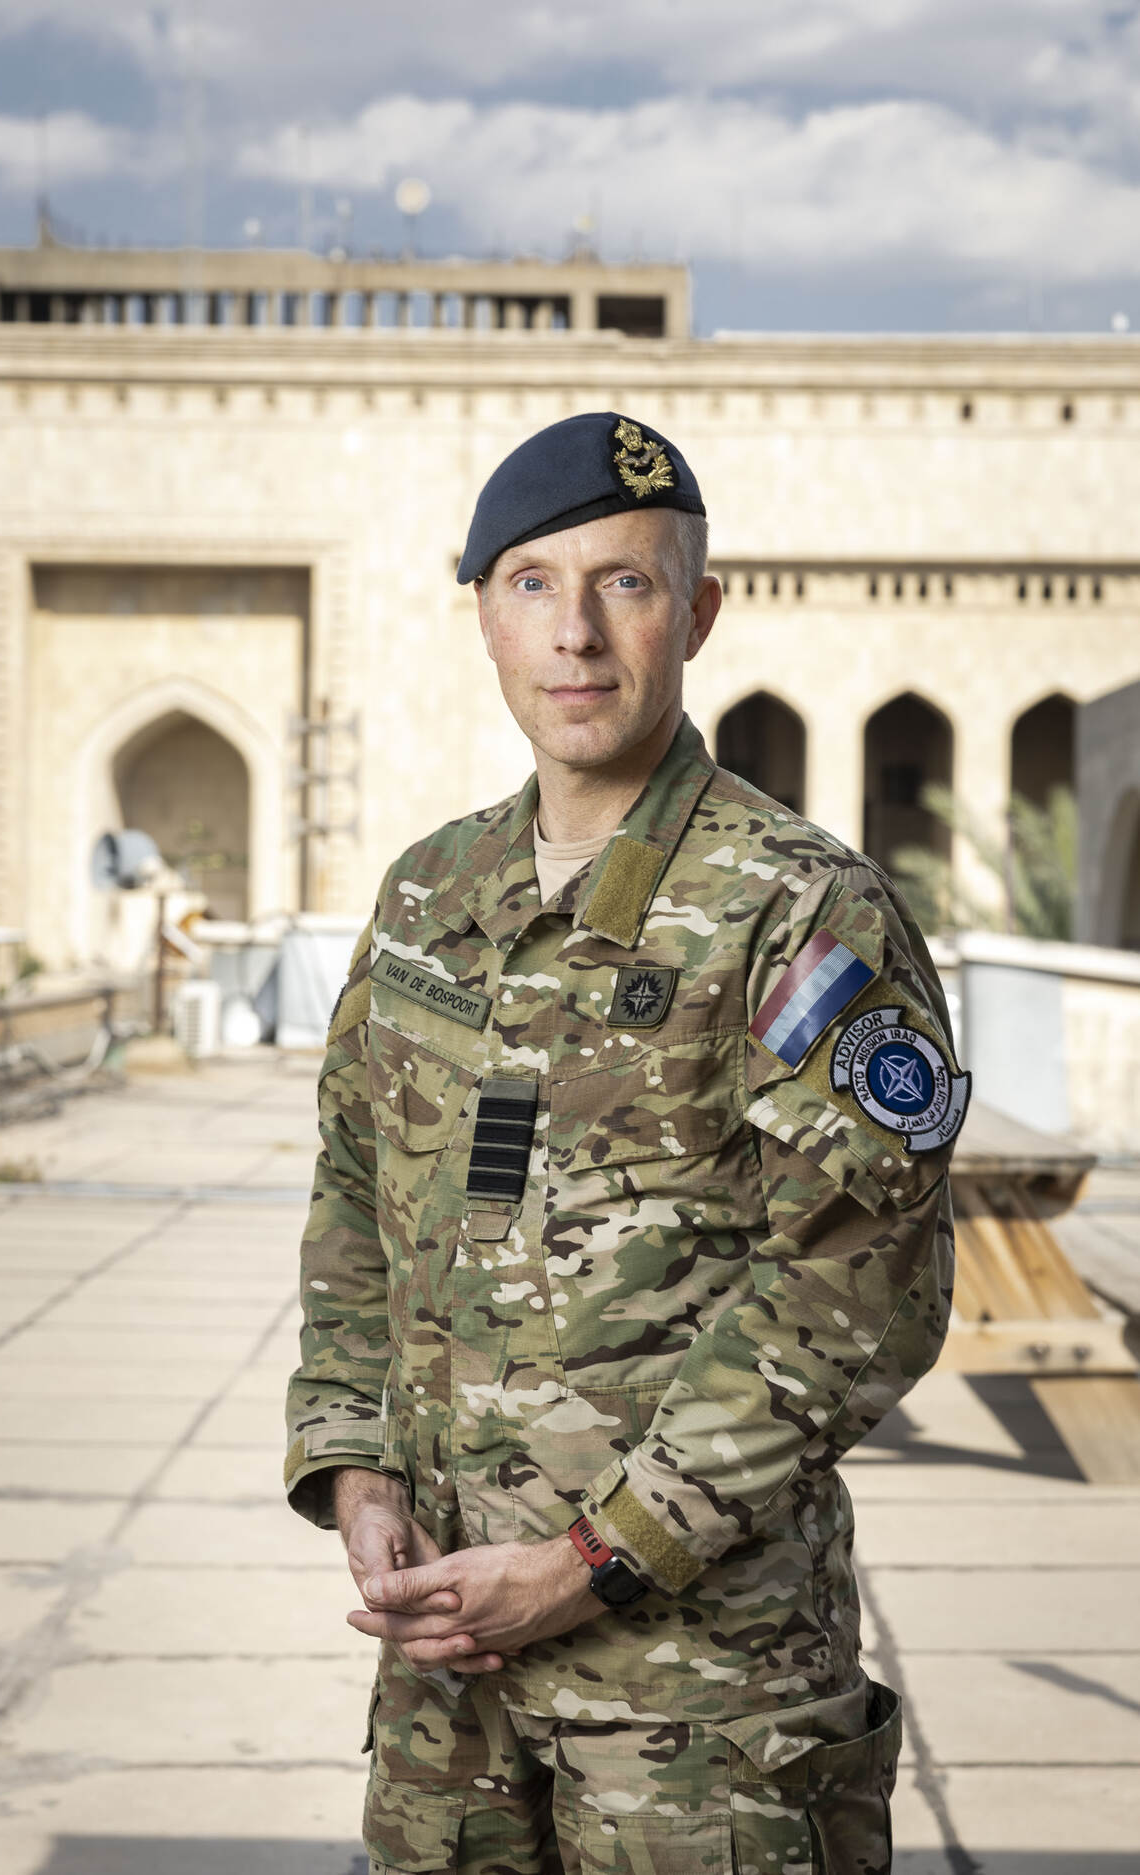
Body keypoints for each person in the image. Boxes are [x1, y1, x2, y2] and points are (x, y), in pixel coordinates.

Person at [285, 411, 965, 1875]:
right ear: (483, 614)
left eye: (626, 584)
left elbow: (859, 1290)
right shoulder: (431, 896)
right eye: (532, 584)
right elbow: (353, 1188)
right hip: (447, 1678)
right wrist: (354, 1463)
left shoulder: (798, 909)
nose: (575, 633)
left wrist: (592, 1561)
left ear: (697, 614)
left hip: (703, 1700)